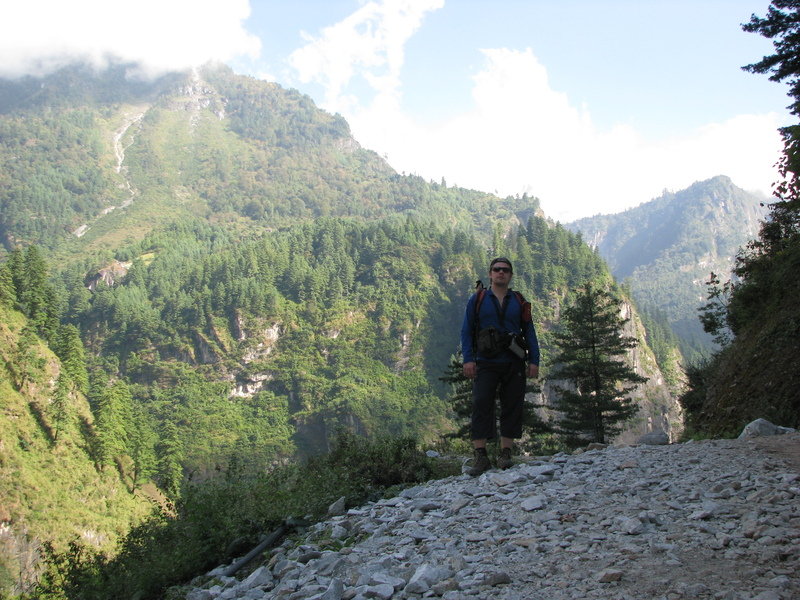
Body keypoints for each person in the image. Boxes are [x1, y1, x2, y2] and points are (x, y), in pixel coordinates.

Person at [460, 257, 540, 475]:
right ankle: (481, 456)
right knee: (481, 403)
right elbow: (467, 330)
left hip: (514, 361)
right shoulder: (478, 299)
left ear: (510, 275)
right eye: (497, 269)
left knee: (512, 405)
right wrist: (468, 359)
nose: (501, 273)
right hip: (486, 361)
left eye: (505, 270)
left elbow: (529, 331)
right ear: (490, 274)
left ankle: (505, 454)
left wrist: (534, 360)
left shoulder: (519, 301)